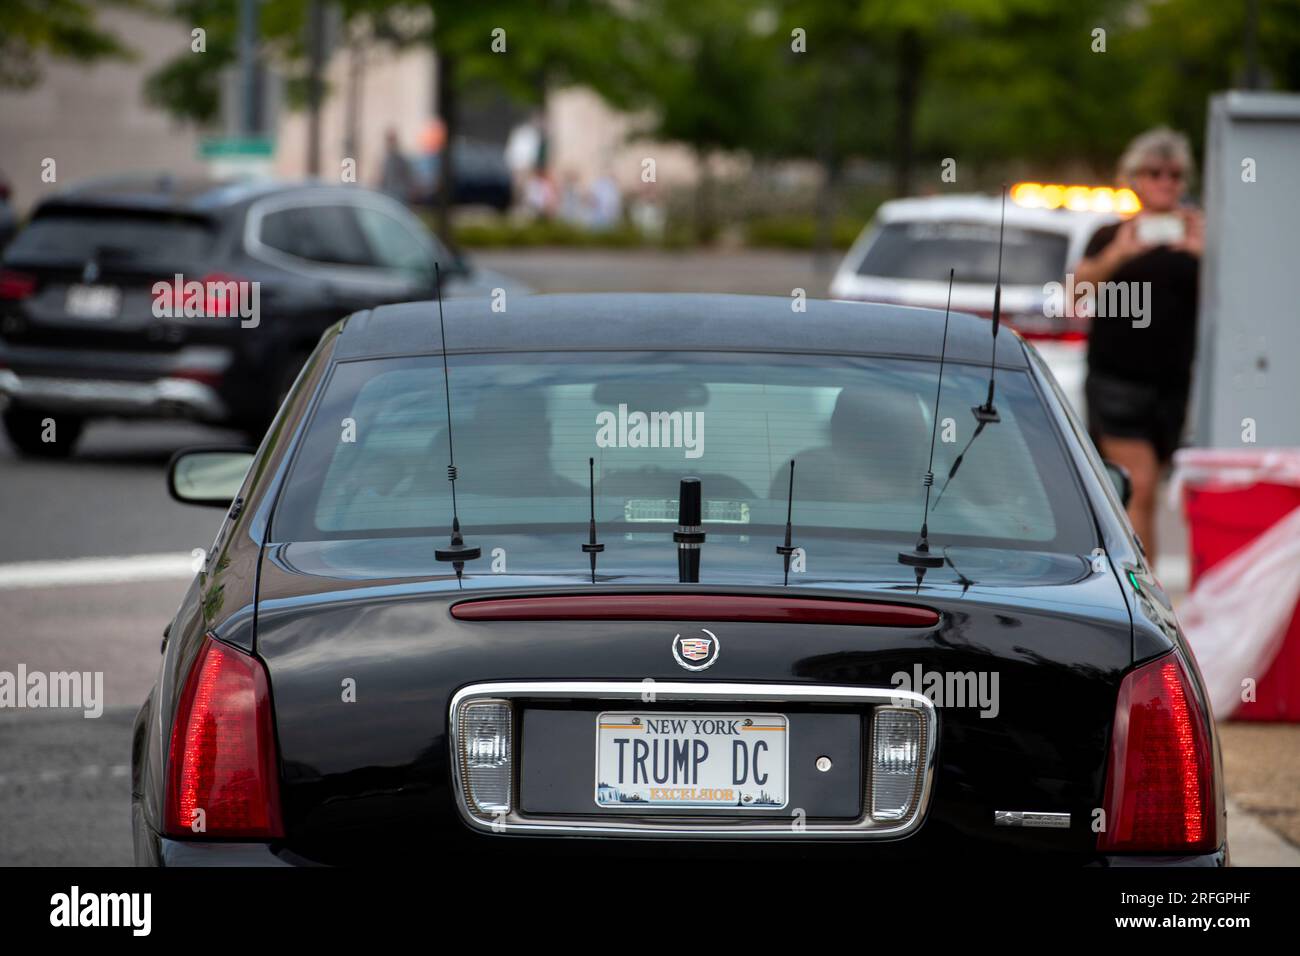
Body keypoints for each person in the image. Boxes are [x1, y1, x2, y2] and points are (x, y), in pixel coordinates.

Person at [1072, 127, 1204, 561]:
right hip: (1117, 381)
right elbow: (1074, 294)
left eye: (1175, 174)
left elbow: (1231, 305)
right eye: (1154, 172)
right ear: (1134, 179)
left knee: (1143, 492)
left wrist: (1203, 253)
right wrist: (1119, 255)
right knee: (1139, 487)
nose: (1166, 182)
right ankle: (1141, 586)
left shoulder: (1199, 237)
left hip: (1172, 385)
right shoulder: (1111, 234)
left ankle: (1135, 578)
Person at [379, 128, 415, 203]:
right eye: (388, 140)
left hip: (399, 193)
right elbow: (384, 177)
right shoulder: (386, 158)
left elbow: (408, 176)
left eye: (391, 140)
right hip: (388, 192)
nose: (389, 143)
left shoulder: (400, 158)